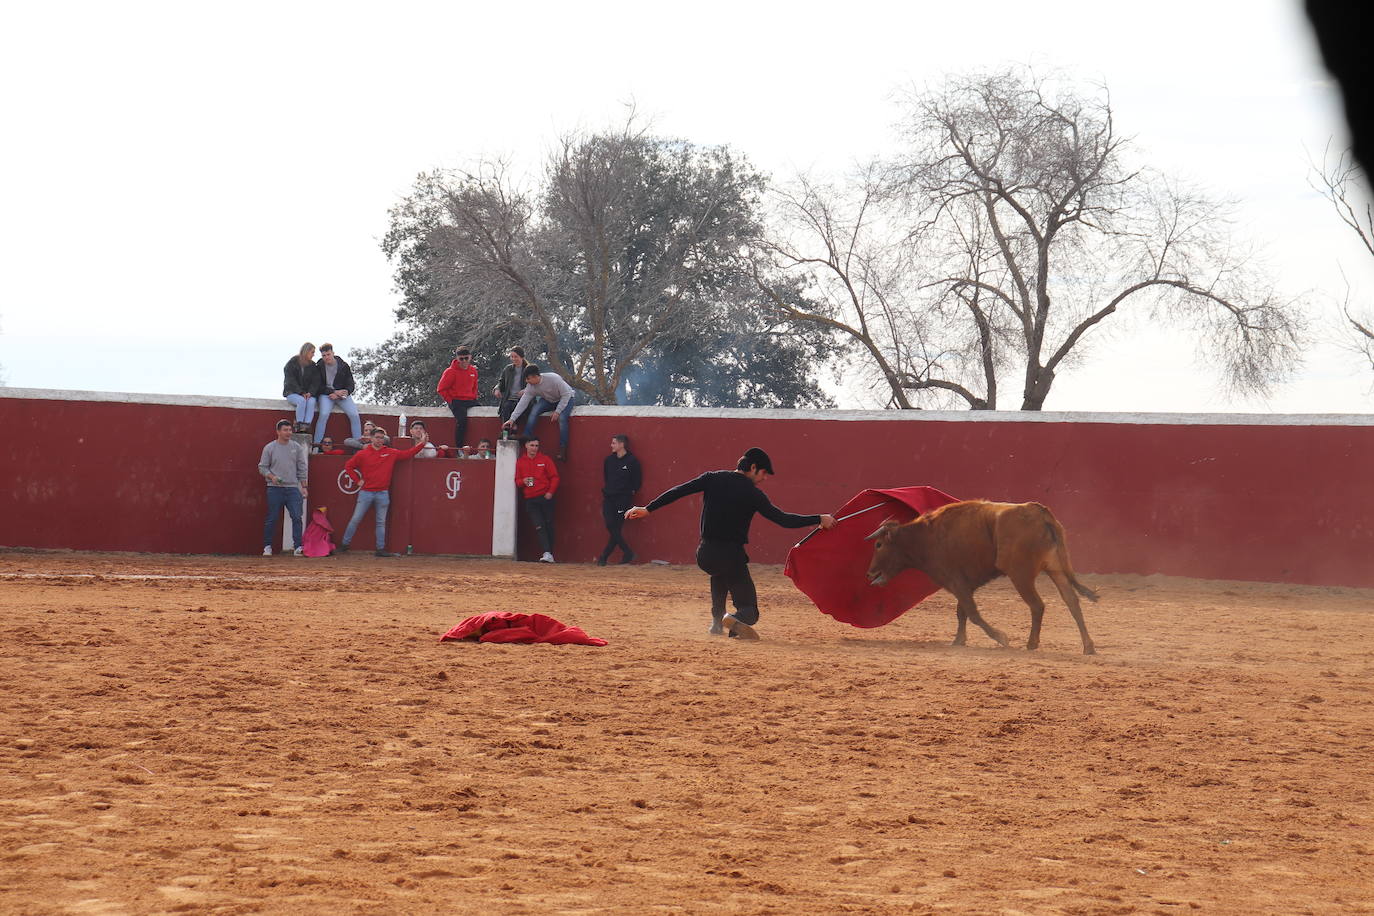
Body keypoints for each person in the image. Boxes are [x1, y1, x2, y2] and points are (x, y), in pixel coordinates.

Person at [625, 447, 836, 639]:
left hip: (705, 554)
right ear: (753, 467)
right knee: (749, 612)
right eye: (763, 473)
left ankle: (716, 623)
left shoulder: (712, 478)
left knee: (719, 572)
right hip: (731, 555)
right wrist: (818, 518)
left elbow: (679, 491)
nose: (763, 479)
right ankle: (732, 620)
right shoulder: (753, 494)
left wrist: (648, 509)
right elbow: (783, 519)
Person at [339, 424, 428, 557]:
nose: (379, 440)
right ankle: (344, 545)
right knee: (356, 519)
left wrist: (421, 444)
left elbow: (407, 454)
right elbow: (348, 466)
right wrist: (358, 481)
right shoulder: (363, 454)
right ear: (371, 438)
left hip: (382, 492)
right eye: (377, 437)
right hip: (367, 492)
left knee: (380, 522)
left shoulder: (390, 452)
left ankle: (380, 549)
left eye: (381, 438)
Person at [258, 419, 309, 557]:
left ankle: (298, 546)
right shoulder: (270, 448)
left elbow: (302, 467)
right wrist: (272, 477)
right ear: (278, 432)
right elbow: (262, 467)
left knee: (297, 517)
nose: (288, 432)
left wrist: (304, 486)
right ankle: (267, 546)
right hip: (274, 488)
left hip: (292, 488)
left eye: (290, 430)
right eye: (285, 430)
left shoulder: (296, 447)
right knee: (272, 518)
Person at [503, 365, 575, 460]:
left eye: (528, 379)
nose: (527, 381)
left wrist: (558, 411)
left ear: (535, 376)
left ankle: (563, 448)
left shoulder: (554, 379)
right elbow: (523, 402)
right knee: (535, 410)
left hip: (567, 398)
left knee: (562, 418)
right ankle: (526, 436)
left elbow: (566, 394)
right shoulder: (530, 386)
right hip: (548, 400)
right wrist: (512, 419)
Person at [598, 434, 641, 566]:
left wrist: (630, 492)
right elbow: (607, 477)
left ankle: (603, 557)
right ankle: (627, 552)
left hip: (623, 498)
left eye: (614, 443)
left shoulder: (632, 461)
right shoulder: (608, 460)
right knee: (611, 526)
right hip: (609, 497)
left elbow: (637, 480)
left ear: (621, 444)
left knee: (615, 528)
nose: (611, 445)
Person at [515, 436, 559, 563]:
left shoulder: (545, 460)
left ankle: (549, 553)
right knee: (539, 526)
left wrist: (550, 492)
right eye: (532, 445)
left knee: (548, 524)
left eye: (536, 446)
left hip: (545, 497)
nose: (534, 448)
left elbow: (555, 477)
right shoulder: (520, 462)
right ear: (526, 446)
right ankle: (547, 552)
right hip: (531, 498)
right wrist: (523, 481)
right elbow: (517, 481)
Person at [314, 343, 362, 445]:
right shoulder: (319, 366)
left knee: (354, 415)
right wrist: (333, 392)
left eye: (328, 354)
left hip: (341, 395)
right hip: (326, 394)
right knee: (323, 414)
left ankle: (358, 445)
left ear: (333, 353)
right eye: (324, 355)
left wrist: (344, 392)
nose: (326, 357)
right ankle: (316, 445)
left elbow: (350, 384)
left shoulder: (343, 366)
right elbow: (317, 386)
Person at [437, 345, 479, 450]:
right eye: (461, 359)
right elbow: (441, 389)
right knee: (462, 421)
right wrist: (451, 401)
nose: (464, 361)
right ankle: (459, 448)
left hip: (470, 400)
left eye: (466, 358)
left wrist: (473, 397)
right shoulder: (450, 372)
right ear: (457, 359)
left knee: (481, 412)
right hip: (456, 401)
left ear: (470, 357)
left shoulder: (473, 371)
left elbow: (475, 387)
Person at [282, 342, 321, 434]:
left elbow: (316, 381)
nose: (313, 355)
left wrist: (310, 392)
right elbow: (290, 380)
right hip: (292, 392)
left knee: (311, 401)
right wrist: (301, 392)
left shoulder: (312, 366)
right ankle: (299, 425)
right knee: (301, 401)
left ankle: (306, 425)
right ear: (306, 351)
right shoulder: (292, 362)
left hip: (307, 394)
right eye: (312, 352)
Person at [492, 346, 529, 427]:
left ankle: (514, 430)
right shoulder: (508, 369)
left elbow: (534, 384)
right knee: (506, 408)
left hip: (523, 399)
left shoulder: (528, 369)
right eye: (512, 357)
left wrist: (525, 390)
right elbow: (501, 382)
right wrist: (497, 389)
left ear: (522, 357)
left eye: (516, 357)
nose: (513, 359)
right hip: (509, 398)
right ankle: (506, 432)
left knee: (517, 410)